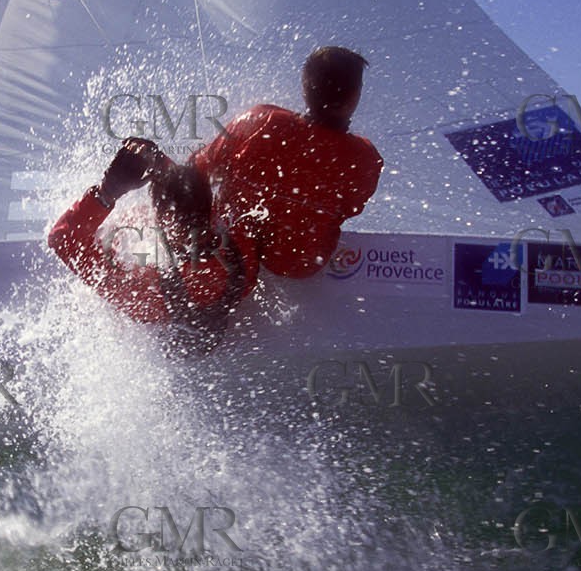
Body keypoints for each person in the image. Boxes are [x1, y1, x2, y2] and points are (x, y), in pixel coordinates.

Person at [48, 138, 259, 355]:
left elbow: (62, 239)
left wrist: (106, 193)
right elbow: (189, 202)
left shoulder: (147, 292)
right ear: (209, 204)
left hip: (165, 352)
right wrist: (161, 164)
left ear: (163, 219)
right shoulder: (243, 253)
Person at [190, 46, 383, 278]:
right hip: (300, 265)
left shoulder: (261, 121)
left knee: (188, 185)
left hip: (230, 255)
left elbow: (199, 170)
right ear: (354, 97)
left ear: (304, 88)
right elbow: (351, 208)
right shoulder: (365, 159)